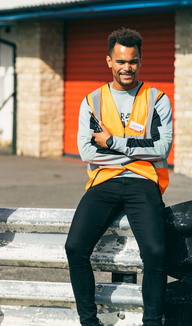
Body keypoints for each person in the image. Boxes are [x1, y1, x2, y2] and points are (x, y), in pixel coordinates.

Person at [65, 28, 173, 326]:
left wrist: (114, 142)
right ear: (109, 61)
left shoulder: (157, 99)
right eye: (122, 61)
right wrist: (138, 151)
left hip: (143, 182)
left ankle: (152, 322)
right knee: (74, 247)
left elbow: (163, 148)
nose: (128, 67)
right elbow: (87, 152)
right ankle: (89, 321)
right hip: (104, 182)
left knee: (155, 251)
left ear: (140, 61)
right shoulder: (92, 100)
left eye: (134, 61)